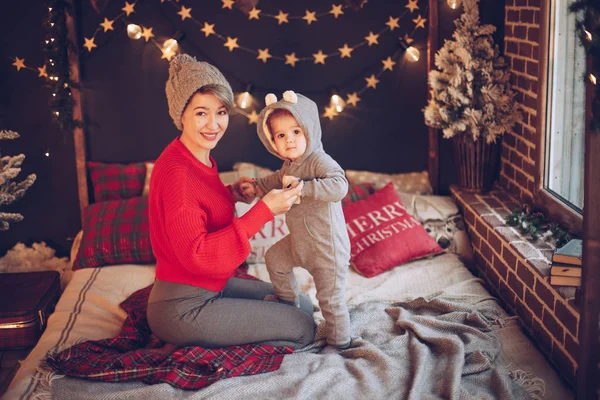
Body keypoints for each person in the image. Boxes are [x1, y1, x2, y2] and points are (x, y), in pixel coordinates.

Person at [146, 54, 315, 350]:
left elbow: (195, 208)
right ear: (180, 114)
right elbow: (197, 254)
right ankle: (194, 340)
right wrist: (263, 211)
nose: (213, 124)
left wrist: (230, 193)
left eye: (221, 112)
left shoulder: (195, 156)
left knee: (301, 302)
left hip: (215, 287)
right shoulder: (176, 171)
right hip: (183, 305)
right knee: (303, 327)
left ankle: (215, 333)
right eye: (201, 113)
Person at [250, 90, 352, 349]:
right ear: (272, 140)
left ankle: (341, 345)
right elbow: (277, 180)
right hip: (300, 243)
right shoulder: (289, 164)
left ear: (310, 129)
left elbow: (339, 186)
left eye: (296, 132)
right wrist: (256, 186)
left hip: (327, 248)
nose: (290, 140)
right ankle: (288, 307)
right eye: (281, 135)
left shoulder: (319, 160)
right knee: (274, 259)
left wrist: (303, 189)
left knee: (330, 300)